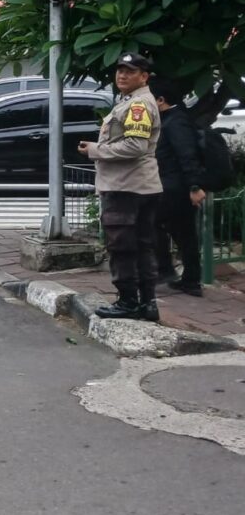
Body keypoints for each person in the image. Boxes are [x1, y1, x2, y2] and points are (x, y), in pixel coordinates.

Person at [78, 53, 163, 321]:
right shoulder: (132, 101)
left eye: (130, 71)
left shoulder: (138, 105)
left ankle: (128, 301)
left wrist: (95, 149)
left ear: (144, 76)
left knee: (123, 247)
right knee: (142, 246)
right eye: (120, 70)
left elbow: (135, 146)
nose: (122, 75)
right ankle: (147, 303)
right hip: (140, 185)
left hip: (126, 187)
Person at [148, 77, 205, 297]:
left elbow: (187, 154)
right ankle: (190, 281)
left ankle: (167, 270)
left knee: (152, 223)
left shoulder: (176, 121)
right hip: (172, 185)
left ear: (160, 100)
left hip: (175, 187)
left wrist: (194, 186)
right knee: (184, 234)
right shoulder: (169, 119)